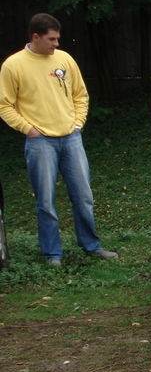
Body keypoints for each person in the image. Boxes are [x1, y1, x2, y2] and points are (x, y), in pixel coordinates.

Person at [0, 13, 117, 267]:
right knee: (45, 201)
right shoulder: (13, 65)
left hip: (71, 139)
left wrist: (77, 124)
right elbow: (5, 105)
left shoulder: (64, 59)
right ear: (36, 37)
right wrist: (29, 129)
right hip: (40, 142)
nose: (56, 44)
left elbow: (80, 95)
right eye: (51, 39)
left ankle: (91, 246)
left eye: (57, 39)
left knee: (83, 196)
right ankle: (53, 254)